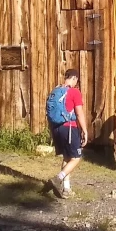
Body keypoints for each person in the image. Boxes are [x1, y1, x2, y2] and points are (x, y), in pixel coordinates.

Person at [46, 69, 88, 199]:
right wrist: (85, 131)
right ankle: (58, 179)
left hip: (57, 128)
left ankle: (66, 189)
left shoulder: (55, 91)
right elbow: (79, 113)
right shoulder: (74, 92)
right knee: (76, 158)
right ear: (74, 78)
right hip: (69, 128)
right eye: (77, 80)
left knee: (66, 157)